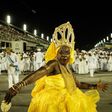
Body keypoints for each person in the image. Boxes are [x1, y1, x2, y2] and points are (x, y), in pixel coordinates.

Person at [1, 22, 108, 112]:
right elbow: (41, 71)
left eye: (67, 52)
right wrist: (20, 85)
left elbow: (78, 84)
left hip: (72, 99)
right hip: (52, 103)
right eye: (61, 52)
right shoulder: (54, 63)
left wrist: (95, 86)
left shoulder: (67, 68)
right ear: (56, 53)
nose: (65, 55)